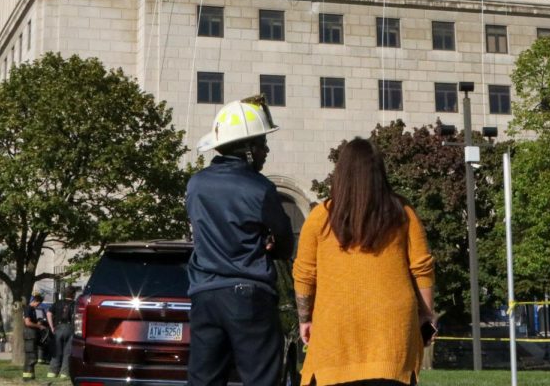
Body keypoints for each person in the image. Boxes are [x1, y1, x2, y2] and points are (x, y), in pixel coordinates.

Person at [293, 137, 436, 386]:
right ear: (379, 173)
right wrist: (427, 314)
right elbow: (422, 268)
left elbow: (304, 275)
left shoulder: (320, 218)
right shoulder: (403, 213)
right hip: (392, 333)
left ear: (341, 174)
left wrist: (305, 319)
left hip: (335, 332)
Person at [185, 95, 294, 386]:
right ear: (246, 149)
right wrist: (271, 245)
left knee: (204, 381)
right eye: (261, 143)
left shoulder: (196, 183)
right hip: (250, 296)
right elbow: (285, 243)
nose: (266, 150)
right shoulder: (260, 188)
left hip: (204, 295)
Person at [47, 286, 78, 379]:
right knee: (67, 352)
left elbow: (49, 313)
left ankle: (52, 372)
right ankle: (64, 373)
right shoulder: (75, 304)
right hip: (70, 328)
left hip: (58, 328)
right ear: (73, 294)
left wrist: (52, 326)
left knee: (57, 351)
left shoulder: (57, 303)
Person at [21, 293, 48, 380]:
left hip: (31, 334)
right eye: (38, 303)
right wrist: (39, 326)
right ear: (34, 301)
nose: (38, 305)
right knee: (31, 356)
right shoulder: (28, 309)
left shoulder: (31, 309)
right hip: (29, 335)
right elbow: (27, 322)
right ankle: (27, 377)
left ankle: (30, 376)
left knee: (32, 355)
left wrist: (38, 322)